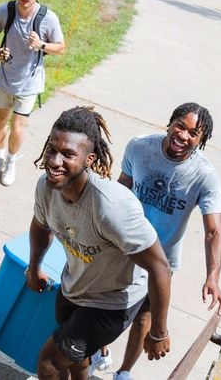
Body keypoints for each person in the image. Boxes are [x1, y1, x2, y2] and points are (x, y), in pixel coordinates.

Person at [26, 106, 173, 380]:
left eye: (69, 154)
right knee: (76, 358)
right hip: (76, 286)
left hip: (113, 301)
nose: (55, 161)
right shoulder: (47, 188)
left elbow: (160, 267)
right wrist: (34, 267)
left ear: (89, 159)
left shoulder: (111, 206)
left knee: (49, 364)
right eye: (51, 150)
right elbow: (40, 226)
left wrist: (158, 331)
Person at [94, 102, 221, 380]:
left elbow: (214, 230)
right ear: (169, 123)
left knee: (144, 316)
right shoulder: (139, 147)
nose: (184, 136)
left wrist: (212, 276)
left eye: (194, 133)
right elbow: (122, 188)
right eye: (180, 125)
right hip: (122, 245)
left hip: (161, 260)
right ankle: (100, 351)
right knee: (101, 301)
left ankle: (124, 373)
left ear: (201, 141)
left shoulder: (205, 175)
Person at [0, 0, 66, 186]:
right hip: (5, 78)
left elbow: (61, 47)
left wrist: (41, 45)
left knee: (18, 126)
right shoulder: (6, 10)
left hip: (29, 83)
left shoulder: (48, 18)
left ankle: (11, 162)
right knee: (1, 120)